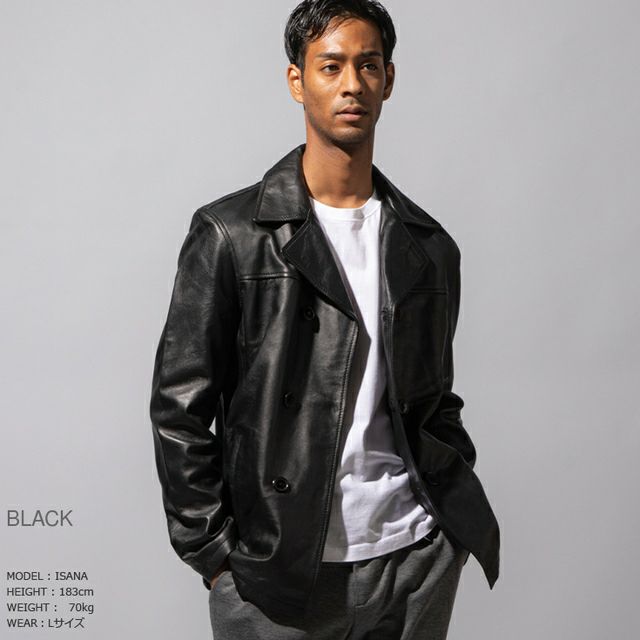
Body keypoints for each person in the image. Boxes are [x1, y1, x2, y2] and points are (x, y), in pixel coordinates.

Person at [149, 1, 500, 637]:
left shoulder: (428, 246)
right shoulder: (231, 235)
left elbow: (434, 400)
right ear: (297, 80)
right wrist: (215, 556)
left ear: (388, 80)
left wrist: (447, 526)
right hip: (277, 571)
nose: (351, 84)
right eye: (331, 66)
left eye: (368, 66)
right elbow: (179, 408)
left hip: (414, 559)